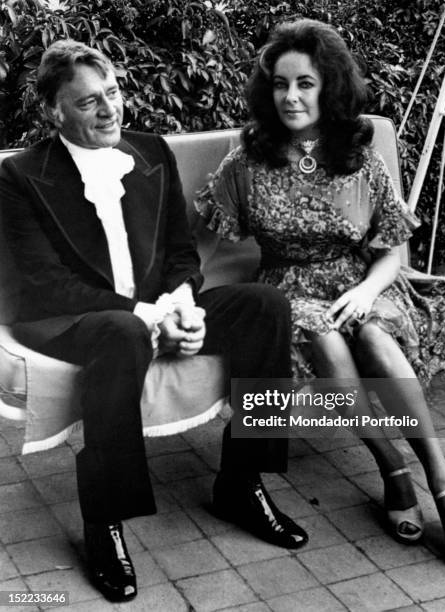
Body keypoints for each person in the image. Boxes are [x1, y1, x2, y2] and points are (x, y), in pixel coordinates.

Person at [0, 40, 309, 603]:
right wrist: (148, 318)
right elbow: (45, 284)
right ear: (54, 111)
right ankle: (105, 521)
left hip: (157, 309)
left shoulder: (151, 152)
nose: (109, 110)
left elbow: (180, 254)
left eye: (113, 93)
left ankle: (242, 484)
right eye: (89, 102)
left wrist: (184, 305)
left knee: (265, 306)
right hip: (73, 319)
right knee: (120, 333)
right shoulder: (20, 176)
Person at [195, 19, 445, 564]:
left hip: (361, 283)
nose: (291, 96)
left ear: (329, 85)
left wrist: (369, 292)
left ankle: (439, 477)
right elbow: (203, 245)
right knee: (324, 337)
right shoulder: (247, 160)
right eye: (280, 84)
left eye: (305, 83)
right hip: (289, 289)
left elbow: (390, 250)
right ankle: (391, 466)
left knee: (372, 336)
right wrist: (182, 298)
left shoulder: (359, 156)